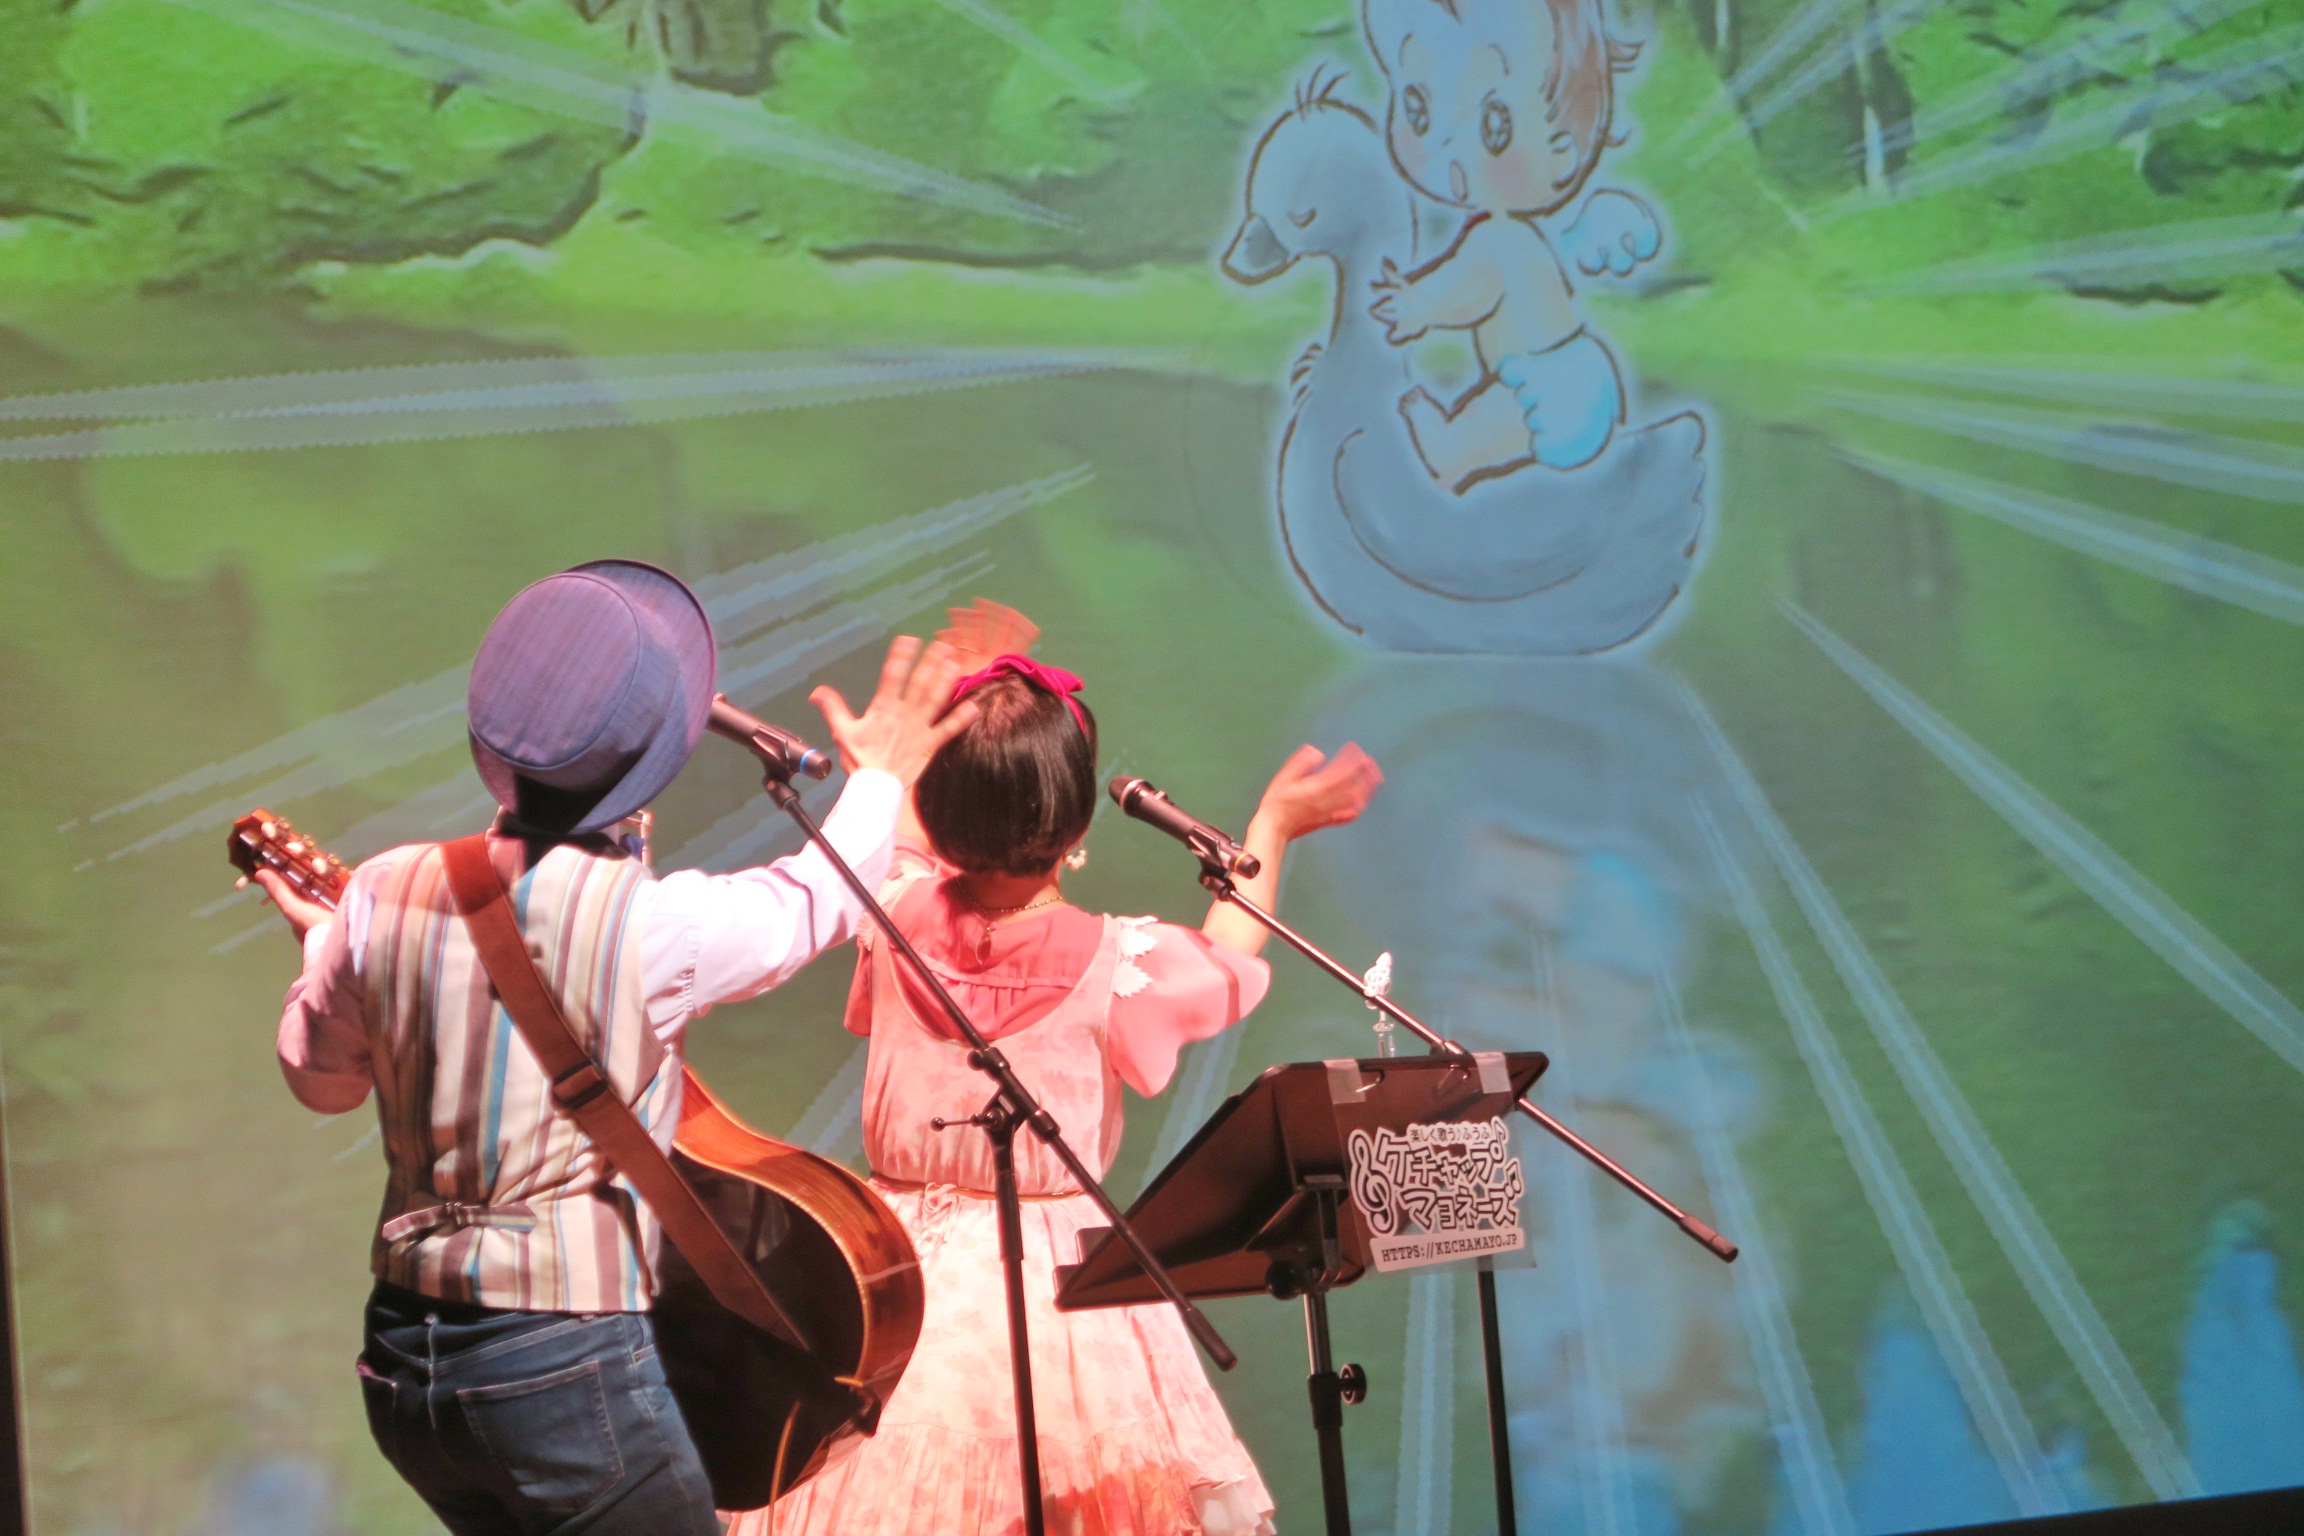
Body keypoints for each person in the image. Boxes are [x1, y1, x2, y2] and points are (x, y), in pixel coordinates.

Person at [253, 559, 974, 1536]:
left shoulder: (383, 890)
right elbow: (813, 903)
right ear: (648, 766)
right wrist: (881, 775)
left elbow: (322, 1083)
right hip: (555, 1370)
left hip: (403, 1369)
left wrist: (327, 954)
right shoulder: (648, 926)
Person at [730, 601, 1384, 1536]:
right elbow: (1231, 951)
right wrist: (1270, 828)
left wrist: (935, 720)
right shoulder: (1118, 963)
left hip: (884, 1277)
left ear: (941, 810)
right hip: (1057, 1285)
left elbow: (901, 826)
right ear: (1075, 818)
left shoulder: (889, 904)